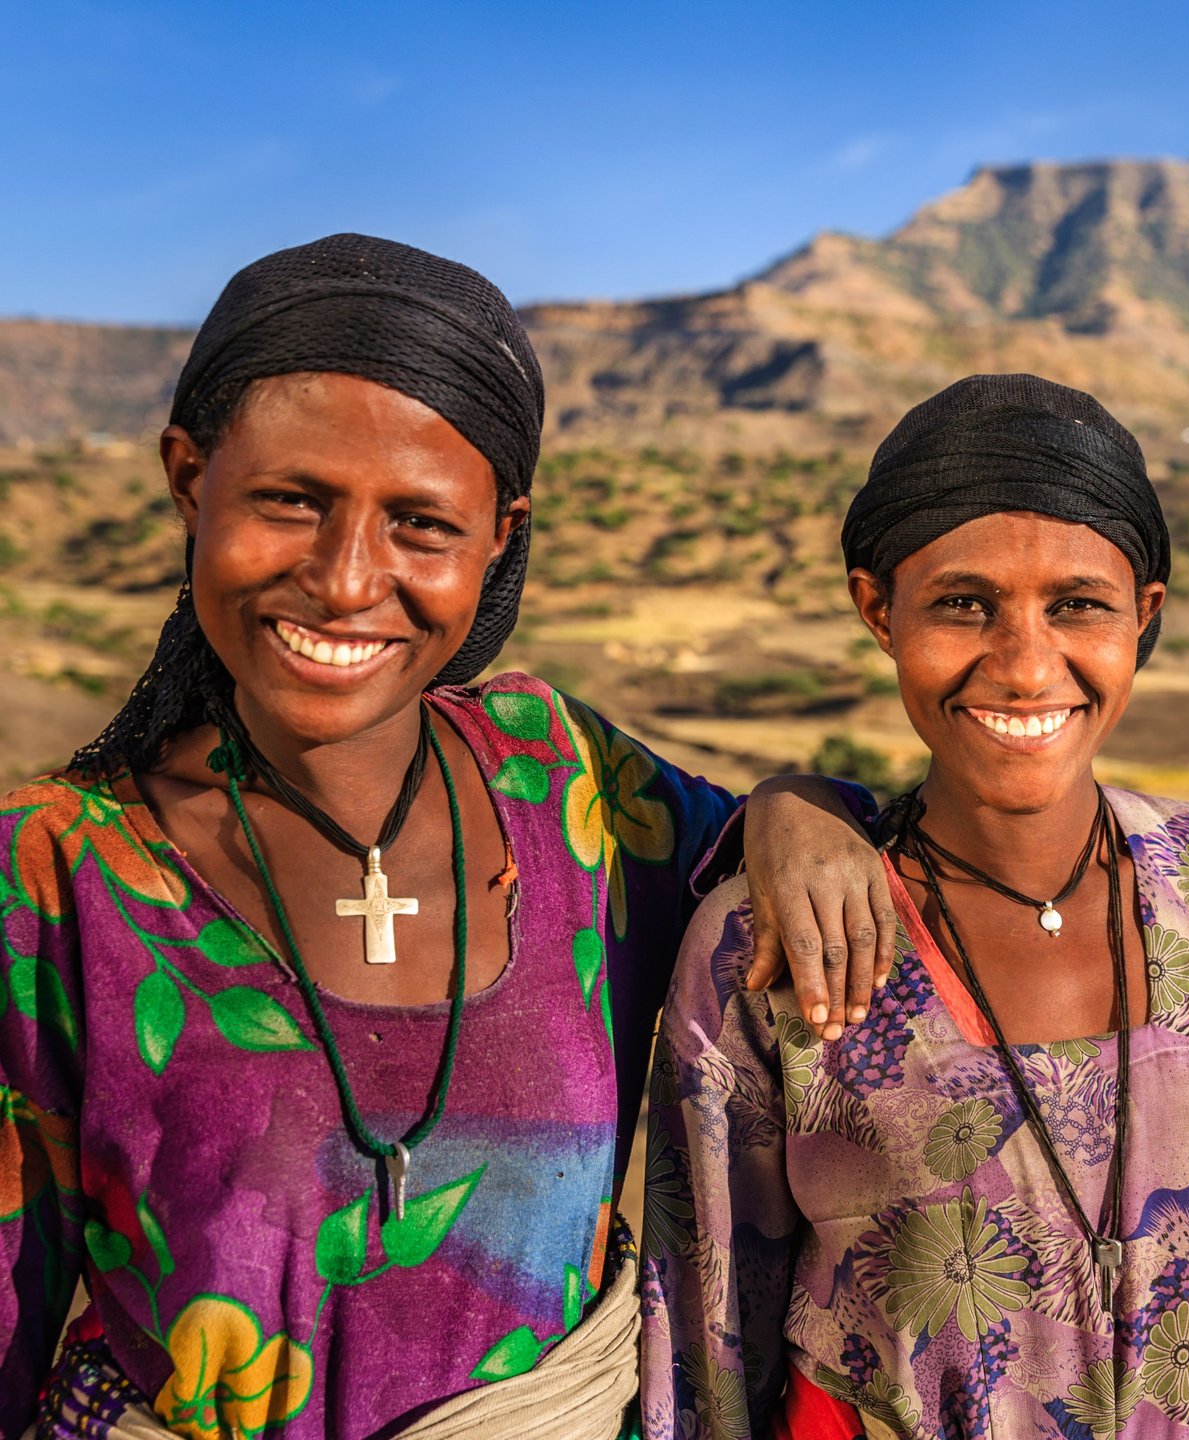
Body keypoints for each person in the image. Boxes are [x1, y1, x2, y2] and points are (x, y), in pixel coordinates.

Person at [2, 234, 893, 1439]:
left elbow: (761, 854)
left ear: (499, 539)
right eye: (290, 501)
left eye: (421, 525)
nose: (346, 577)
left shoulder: (565, 781)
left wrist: (804, 803)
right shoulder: (53, 878)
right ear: (186, 476)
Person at [639, 373, 1189, 1439]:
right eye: (963, 604)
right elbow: (709, 1338)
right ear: (877, 610)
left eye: (1077, 604)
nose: (1027, 667)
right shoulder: (771, 947)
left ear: (1143, 616)